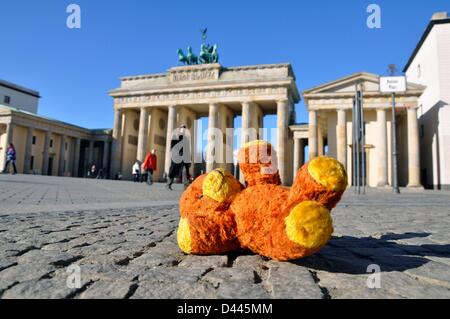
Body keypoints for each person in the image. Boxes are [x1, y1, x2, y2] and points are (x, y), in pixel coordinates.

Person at [167, 125, 191, 190]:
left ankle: (186, 186)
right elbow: (172, 147)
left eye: (184, 129)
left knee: (185, 171)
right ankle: (169, 183)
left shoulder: (186, 139)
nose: (183, 130)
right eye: (182, 129)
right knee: (173, 170)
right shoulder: (175, 137)